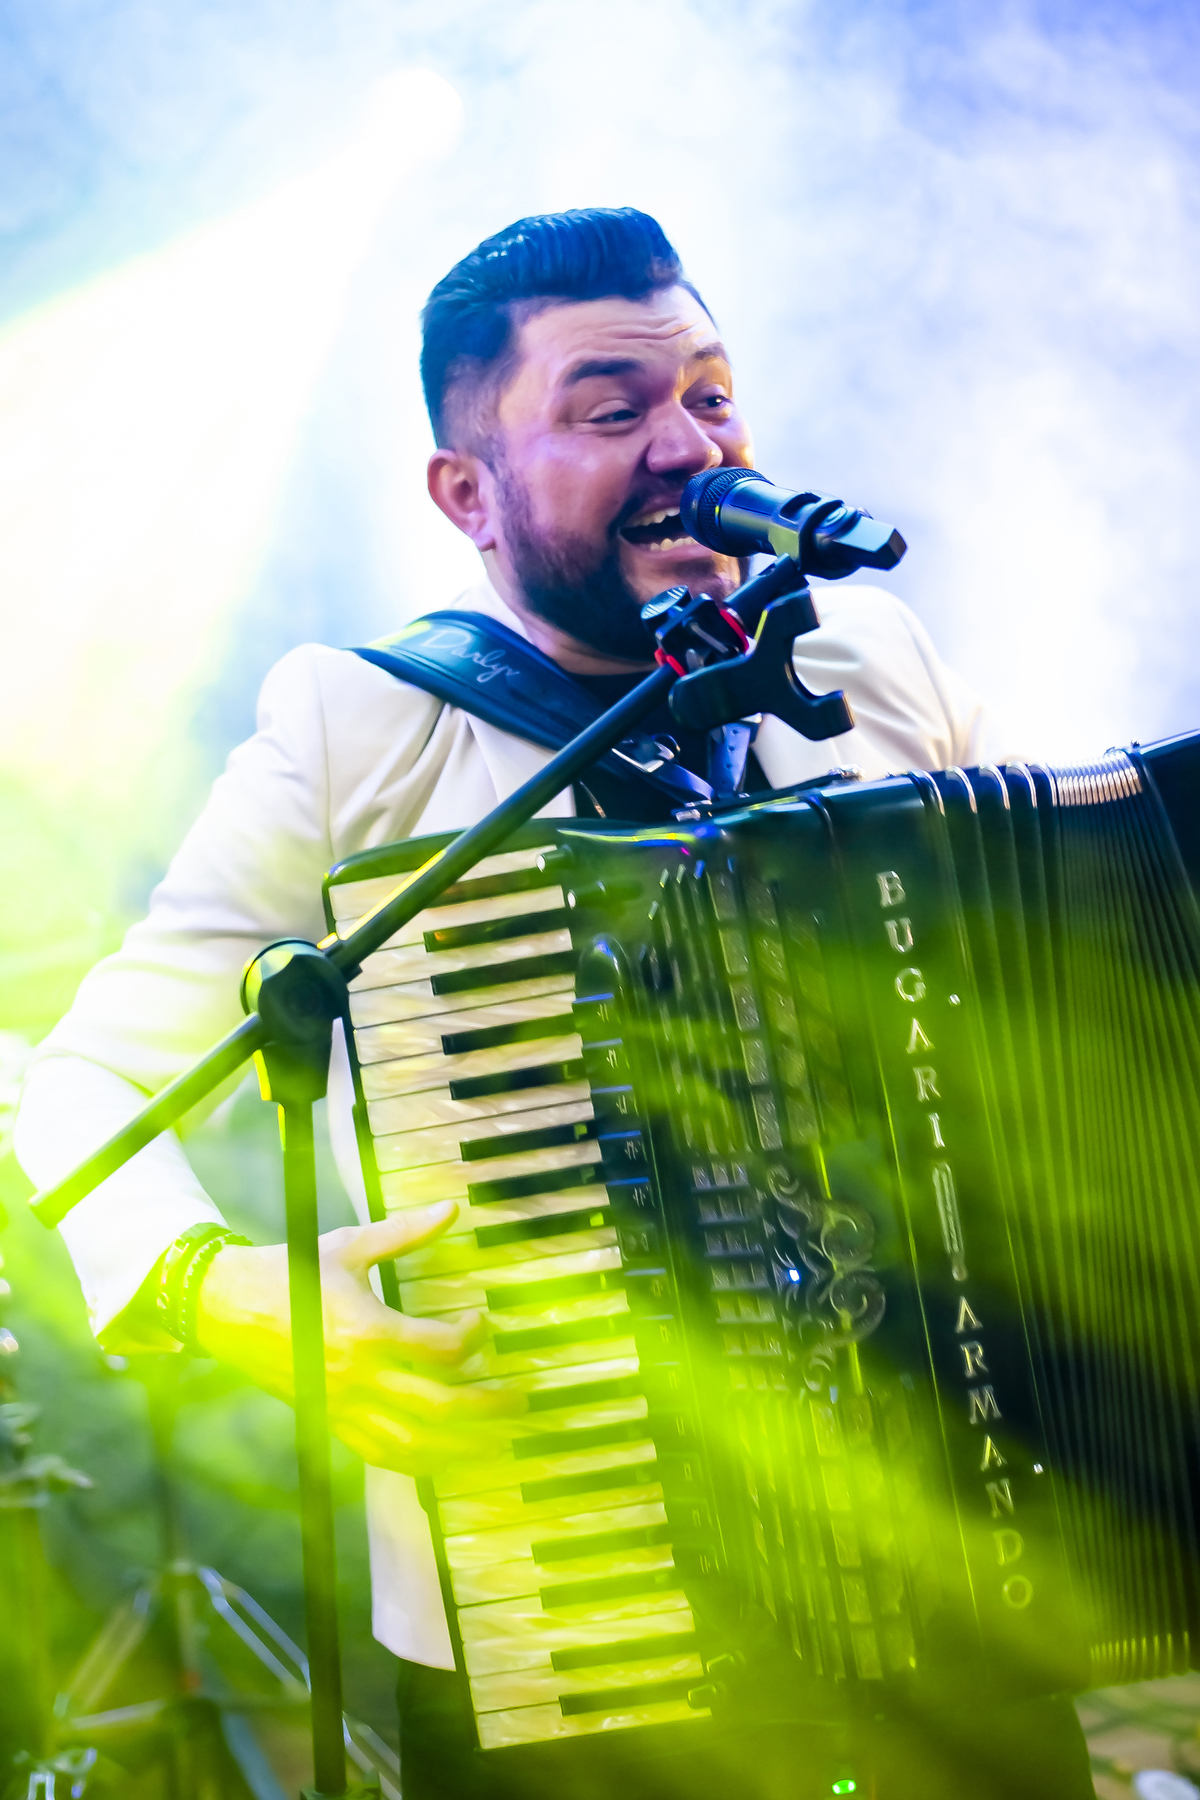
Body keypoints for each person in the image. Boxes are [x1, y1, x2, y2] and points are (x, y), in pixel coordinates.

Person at [15, 209, 1092, 1798]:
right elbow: (84, 1082)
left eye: (711, 397)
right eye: (612, 409)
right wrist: (218, 1291)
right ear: (467, 492)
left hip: (963, 1583)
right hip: (578, 1611)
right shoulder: (361, 732)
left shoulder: (867, 664)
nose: (690, 448)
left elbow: (1082, 957)